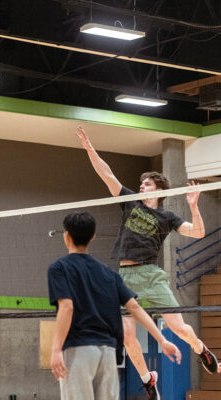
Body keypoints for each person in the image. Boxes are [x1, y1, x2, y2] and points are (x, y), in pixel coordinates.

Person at [75, 126, 219, 399]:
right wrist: (89, 149)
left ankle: (200, 348)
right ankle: (147, 379)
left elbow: (198, 232)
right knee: (126, 336)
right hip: (124, 279)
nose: (141, 187)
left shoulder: (167, 217)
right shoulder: (130, 202)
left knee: (178, 328)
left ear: (159, 189)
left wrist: (194, 205)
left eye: (147, 184)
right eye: (140, 184)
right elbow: (106, 174)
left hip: (152, 276)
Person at [48, 212, 182, 400]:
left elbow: (67, 307)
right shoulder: (109, 274)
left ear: (66, 235)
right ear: (93, 237)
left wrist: (55, 350)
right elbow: (135, 308)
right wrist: (162, 340)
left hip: (79, 349)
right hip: (108, 353)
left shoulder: (59, 268)